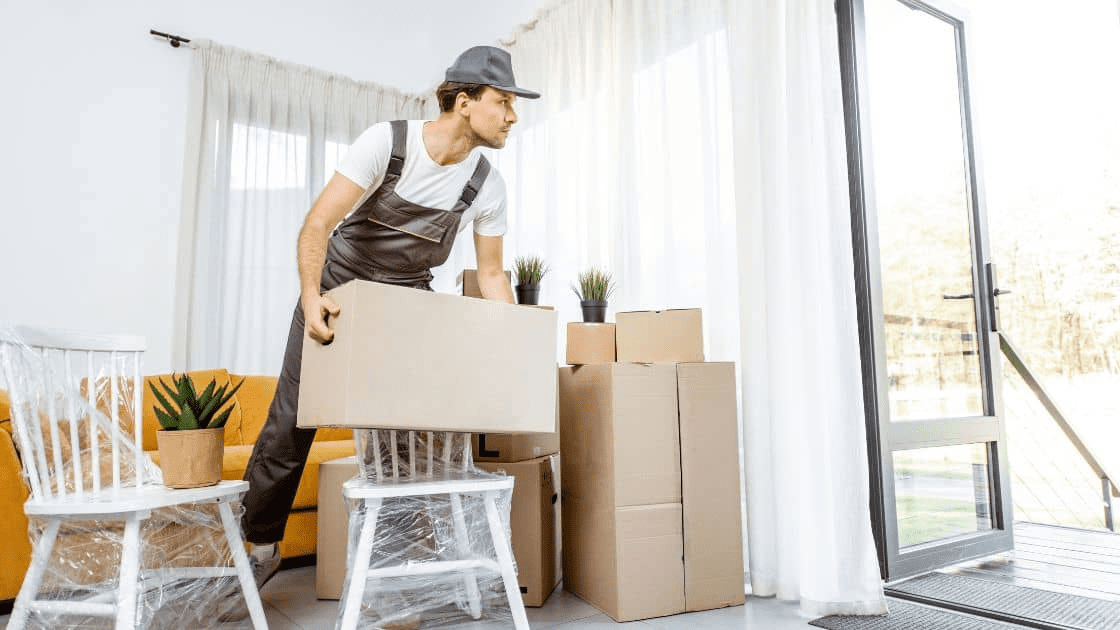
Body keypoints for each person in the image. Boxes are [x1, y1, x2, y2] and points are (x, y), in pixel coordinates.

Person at [236, 45, 540, 589]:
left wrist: (516, 349)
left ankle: (403, 568)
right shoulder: (389, 142)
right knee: (290, 422)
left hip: (406, 306)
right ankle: (259, 547)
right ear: (465, 103)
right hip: (338, 294)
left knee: (406, 438)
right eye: (505, 102)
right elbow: (316, 226)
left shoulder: (486, 184)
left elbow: (492, 276)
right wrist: (310, 297)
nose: (514, 117)